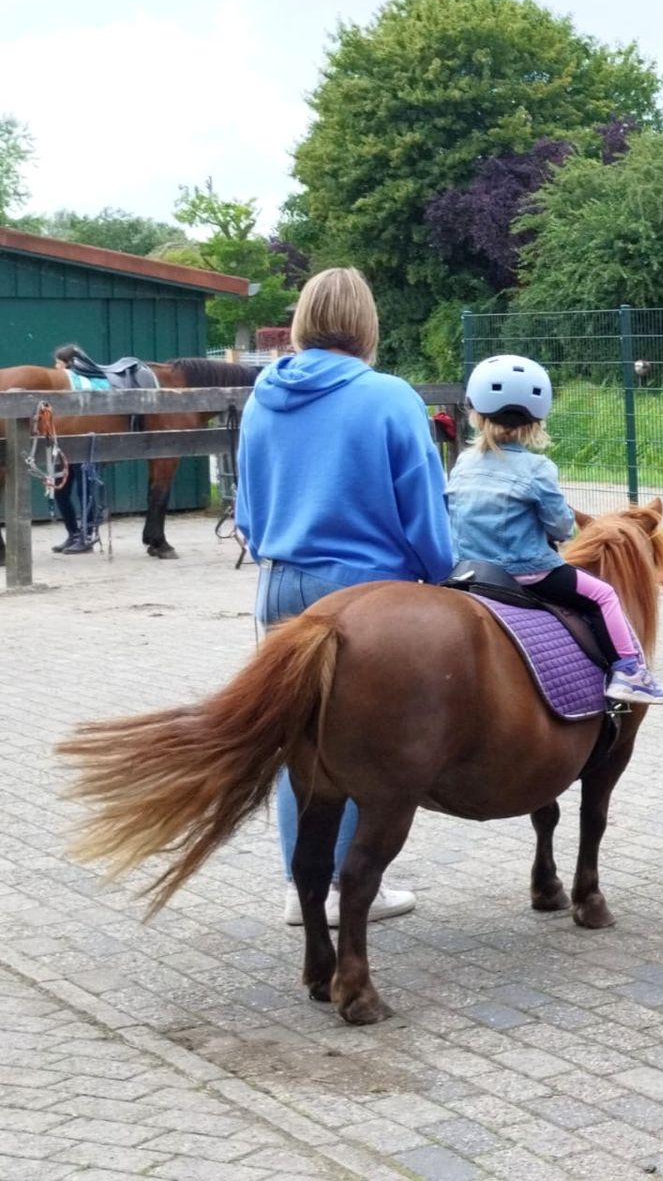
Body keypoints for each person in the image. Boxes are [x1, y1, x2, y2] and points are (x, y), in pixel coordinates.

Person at [234, 266, 455, 928]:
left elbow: (246, 511)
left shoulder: (261, 397)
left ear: (302, 320)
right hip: (365, 592)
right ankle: (348, 886)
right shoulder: (388, 397)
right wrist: (439, 572)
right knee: (367, 745)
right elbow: (422, 505)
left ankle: (300, 889)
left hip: (279, 584)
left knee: (297, 742)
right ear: (365, 324)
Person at [447, 353, 663, 706]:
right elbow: (562, 526)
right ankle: (630, 671)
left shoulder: (463, 462)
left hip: (468, 570)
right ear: (536, 421)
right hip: (529, 573)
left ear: (475, 414)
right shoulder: (537, 467)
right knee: (603, 595)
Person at [49, 344, 106, 555]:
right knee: (60, 491)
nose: (56, 368)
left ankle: (87, 535)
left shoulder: (87, 384)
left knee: (85, 491)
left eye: (58, 363)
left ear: (68, 364)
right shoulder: (63, 388)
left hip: (85, 444)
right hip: (66, 446)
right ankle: (73, 533)